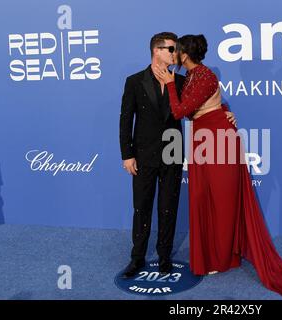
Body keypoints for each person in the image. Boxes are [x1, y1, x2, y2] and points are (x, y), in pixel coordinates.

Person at [154, 34, 282, 299]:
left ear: (184, 53)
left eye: (176, 50)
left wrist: (171, 85)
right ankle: (215, 254)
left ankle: (223, 257)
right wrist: (224, 107)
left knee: (222, 200)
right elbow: (206, 103)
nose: (173, 54)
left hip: (218, 140)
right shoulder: (194, 76)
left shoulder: (204, 75)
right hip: (203, 138)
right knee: (203, 197)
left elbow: (180, 111)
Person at [119, 32, 237, 278]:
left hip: (172, 152)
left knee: (168, 207)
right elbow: (125, 120)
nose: (176, 54)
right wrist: (127, 154)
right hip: (143, 155)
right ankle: (137, 257)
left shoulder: (183, 81)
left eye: (176, 49)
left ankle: (164, 257)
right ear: (156, 51)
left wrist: (224, 112)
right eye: (171, 49)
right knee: (142, 207)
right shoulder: (134, 81)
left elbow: (205, 101)